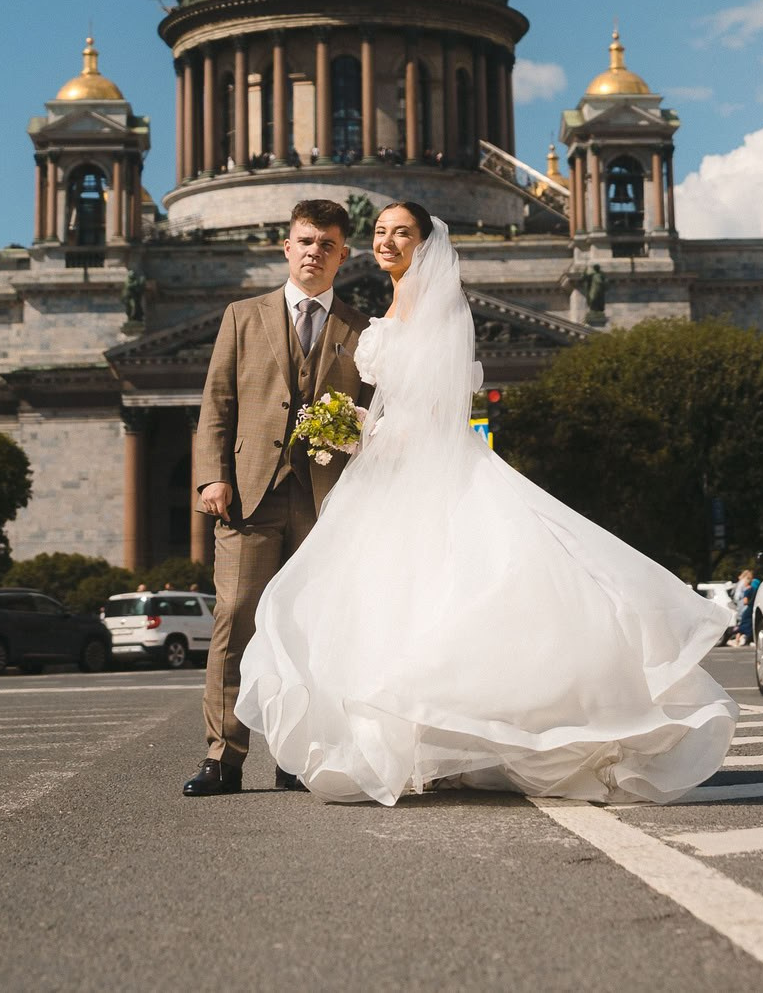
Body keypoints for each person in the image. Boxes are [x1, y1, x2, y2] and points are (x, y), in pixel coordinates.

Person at [237, 202, 736, 804]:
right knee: (397, 605)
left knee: (432, 601)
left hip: (419, 466)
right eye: (381, 233)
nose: (389, 242)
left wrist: (360, 431)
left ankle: (437, 741)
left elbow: (440, 407)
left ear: (426, 243)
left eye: (403, 233)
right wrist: (358, 425)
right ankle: (426, 744)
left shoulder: (442, 305)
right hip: (390, 469)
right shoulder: (390, 305)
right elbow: (401, 399)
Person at [183, 199, 373, 798]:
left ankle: (297, 754)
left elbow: (375, 415)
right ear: (286, 248)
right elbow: (216, 404)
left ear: (343, 256)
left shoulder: (361, 331)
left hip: (326, 505)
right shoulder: (242, 316)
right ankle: (223, 758)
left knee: (312, 631)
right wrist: (212, 477)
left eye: (327, 244)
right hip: (250, 498)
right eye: (305, 241)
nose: (314, 252)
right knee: (235, 620)